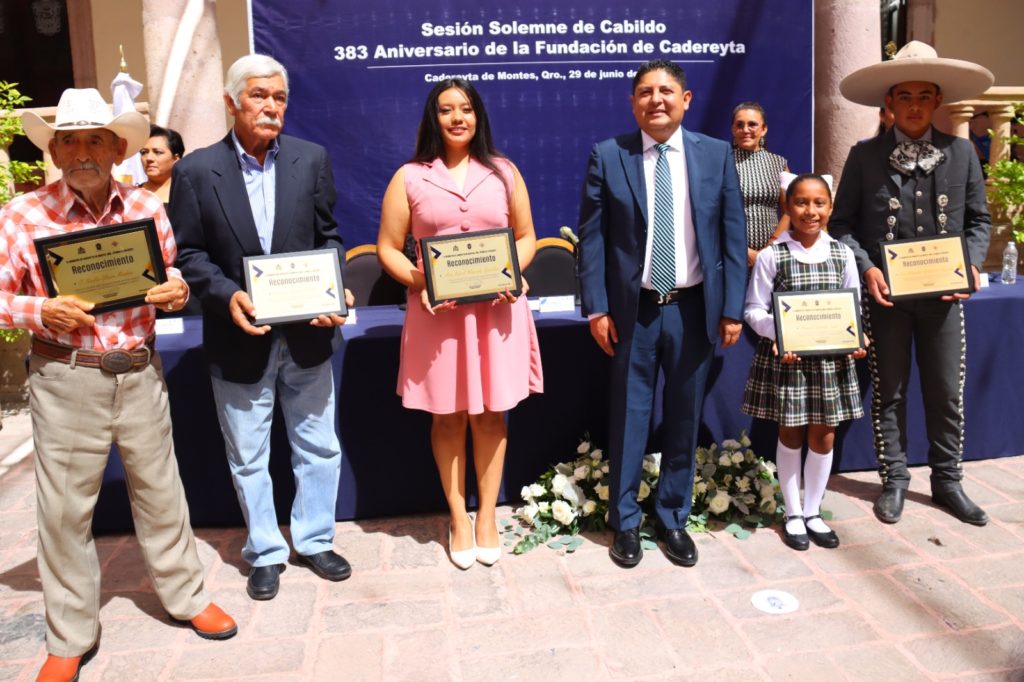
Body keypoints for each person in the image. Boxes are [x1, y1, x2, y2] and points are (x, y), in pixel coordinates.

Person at [5, 88, 236, 682]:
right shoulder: (23, 214)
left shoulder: (145, 207)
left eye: (95, 140)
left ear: (115, 149)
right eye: (71, 142)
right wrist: (40, 311)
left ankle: (186, 598)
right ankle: (69, 636)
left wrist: (177, 289)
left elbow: (168, 273)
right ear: (54, 151)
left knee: (162, 494)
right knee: (64, 511)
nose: (83, 152)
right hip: (66, 375)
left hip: (138, 371)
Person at [168, 54, 354, 600]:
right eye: (259, 96)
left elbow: (329, 235)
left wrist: (334, 285)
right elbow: (188, 253)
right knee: (248, 455)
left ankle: (315, 540)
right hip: (238, 336)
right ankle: (267, 551)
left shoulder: (310, 159)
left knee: (318, 446)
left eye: (279, 97)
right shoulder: (195, 171)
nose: (271, 106)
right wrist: (227, 295)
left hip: (307, 334)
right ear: (232, 102)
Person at [577, 59, 747, 568]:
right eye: (646, 92)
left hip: (694, 309)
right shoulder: (610, 155)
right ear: (633, 103)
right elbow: (592, 239)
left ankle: (673, 516)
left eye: (666, 91)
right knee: (630, 417)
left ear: (686, 100)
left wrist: (732, 308)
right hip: (636, 312)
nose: (657, 100)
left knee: (683, 417)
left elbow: (732, 236)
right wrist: (597, 307)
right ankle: (625, 521)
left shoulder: (716, 154)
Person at [377, 79, 543, 569]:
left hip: (496, 314)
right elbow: (388, 247)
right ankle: (458, 516)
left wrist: (514, 271)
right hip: (438, 318)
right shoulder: (409, 177)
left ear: (478, 117)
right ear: (433, 118)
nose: (457, 118)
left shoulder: (504, 172)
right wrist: (420, 281)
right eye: (446, 110)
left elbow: (527, 236)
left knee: (491, 415)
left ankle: (487, 515)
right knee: (447, 417)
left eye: (466, 109)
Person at [829, 41, 994, 526]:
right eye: (905, 96)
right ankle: (895, 480)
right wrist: (867, 268)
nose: (915, 105)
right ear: (890, 102)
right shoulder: (864, 156)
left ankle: (948, 481)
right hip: (888, 299)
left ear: (937, 100)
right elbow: (842, 225)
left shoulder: (962, 153)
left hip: (944, 296)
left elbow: (979, 221)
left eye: (924, 96)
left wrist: (971, 265)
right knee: (890, 391)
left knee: (945, 391)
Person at [742, 173, 866, 551]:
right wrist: (778, 333)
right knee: (790, 434)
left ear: (830, 208)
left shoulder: (842, 253)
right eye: (801, 202)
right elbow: (753, 309)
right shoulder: (772, 255)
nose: (810, 211)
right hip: (789, 360)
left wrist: (856, 336)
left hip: (830, 363)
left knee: (823, 436)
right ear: (787, 207)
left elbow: (853, 304)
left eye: (819, 203)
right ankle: (793, 512)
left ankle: (813, 511)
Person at [731, 102, 789, 266]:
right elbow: (713, 213)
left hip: (772, 257)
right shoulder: (722, 161)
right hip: (733, 255)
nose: (745, 130)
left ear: (764, 129)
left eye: (752, 124)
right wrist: (744, 251)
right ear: (733, 129)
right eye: (739, 125)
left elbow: (789, 211)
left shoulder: (779, 163)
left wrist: (770, 247)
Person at [139, 124, 184, 203]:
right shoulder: (130, 195)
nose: (149, 158)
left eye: (158, 152)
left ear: (176, 158)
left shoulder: (186, 197)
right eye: (144, 152)